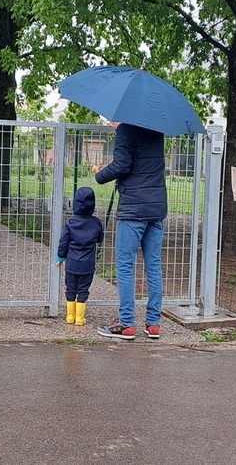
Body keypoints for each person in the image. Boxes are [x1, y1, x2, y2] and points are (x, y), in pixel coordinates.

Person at [92, 121, 166, 340]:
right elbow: (142, 163)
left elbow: (123, 165)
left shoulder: (126, 129)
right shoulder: (157, 129)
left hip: (133, 208)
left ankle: (126, 323)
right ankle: (153, 324)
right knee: (153, 266)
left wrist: (100, 175)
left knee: (125, 265)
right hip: (156, 207)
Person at [56, 186, 104, 326]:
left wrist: (60, 257)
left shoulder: (71, 222)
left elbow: (64, 242)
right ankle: (80, 318)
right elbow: (100, 239)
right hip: (88, 266)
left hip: (71, 264)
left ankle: (70, 316)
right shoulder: (96, 222)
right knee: (83, 290)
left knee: (70, 289)